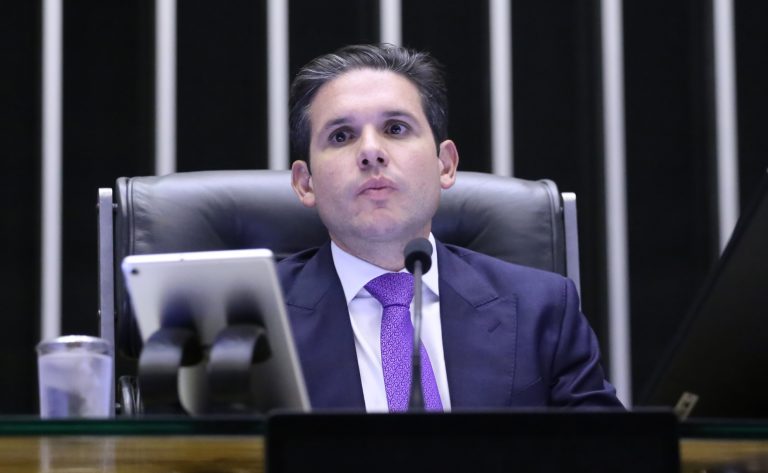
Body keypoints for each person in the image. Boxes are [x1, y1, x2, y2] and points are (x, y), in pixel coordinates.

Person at [278, 43, 622, 411]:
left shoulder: (542, 309)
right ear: (305, 183)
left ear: (445, 164)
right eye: (341, 136)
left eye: (395, 128)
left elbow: (606, 443)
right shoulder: (259, 319)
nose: (371, 151)